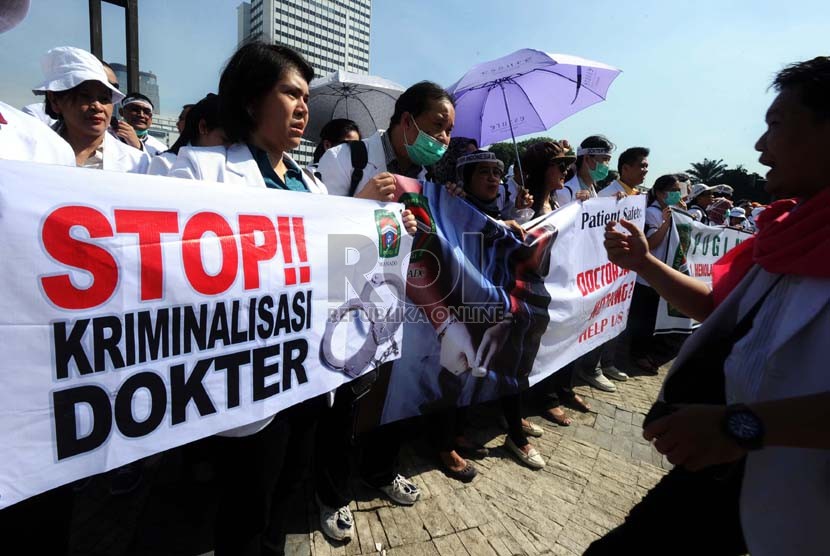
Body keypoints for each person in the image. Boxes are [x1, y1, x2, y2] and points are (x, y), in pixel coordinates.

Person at [587, 56, 830, 556]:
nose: (761, 147)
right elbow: (718, 311)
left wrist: (742, 425)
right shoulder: (784, 235)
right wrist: (645, 263)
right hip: (731, 473)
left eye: (777, 126)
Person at [317, 80, 454, 199]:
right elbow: (320, 222)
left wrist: (449, 205)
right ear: (407, 121)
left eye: (449, 131)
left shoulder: (431, 179)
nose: (444, 138)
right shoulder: (341, 158)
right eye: (438, 124)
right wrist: (362, 201)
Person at [34, 46, 148, 172]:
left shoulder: (137, 163)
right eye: (85, 96)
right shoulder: (28, 153)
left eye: (104, 99)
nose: (97, 107)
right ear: (55, 101)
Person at [624, 174, 686, 374]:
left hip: (661, 274)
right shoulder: (652, 213)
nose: (678, 194)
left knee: (651, 319)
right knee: (644, 319)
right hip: (647, 276)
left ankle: (642, 353)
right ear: (660, 192)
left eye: (679, 190)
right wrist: (666, 224)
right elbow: (650, 245)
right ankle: (636, 355)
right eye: (673, 190)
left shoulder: (671, 211)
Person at [148, 93, 225, 176]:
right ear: (203, 127)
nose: (232, 147)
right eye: (225, 140)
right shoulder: (164, 162)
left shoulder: (226, 162)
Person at [556, 134, 614, 206]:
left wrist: (613, 202)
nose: (607, 165)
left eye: (608, 160)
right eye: (604, 159)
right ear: (587, 159)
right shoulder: (564, 192)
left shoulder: (593, 190)